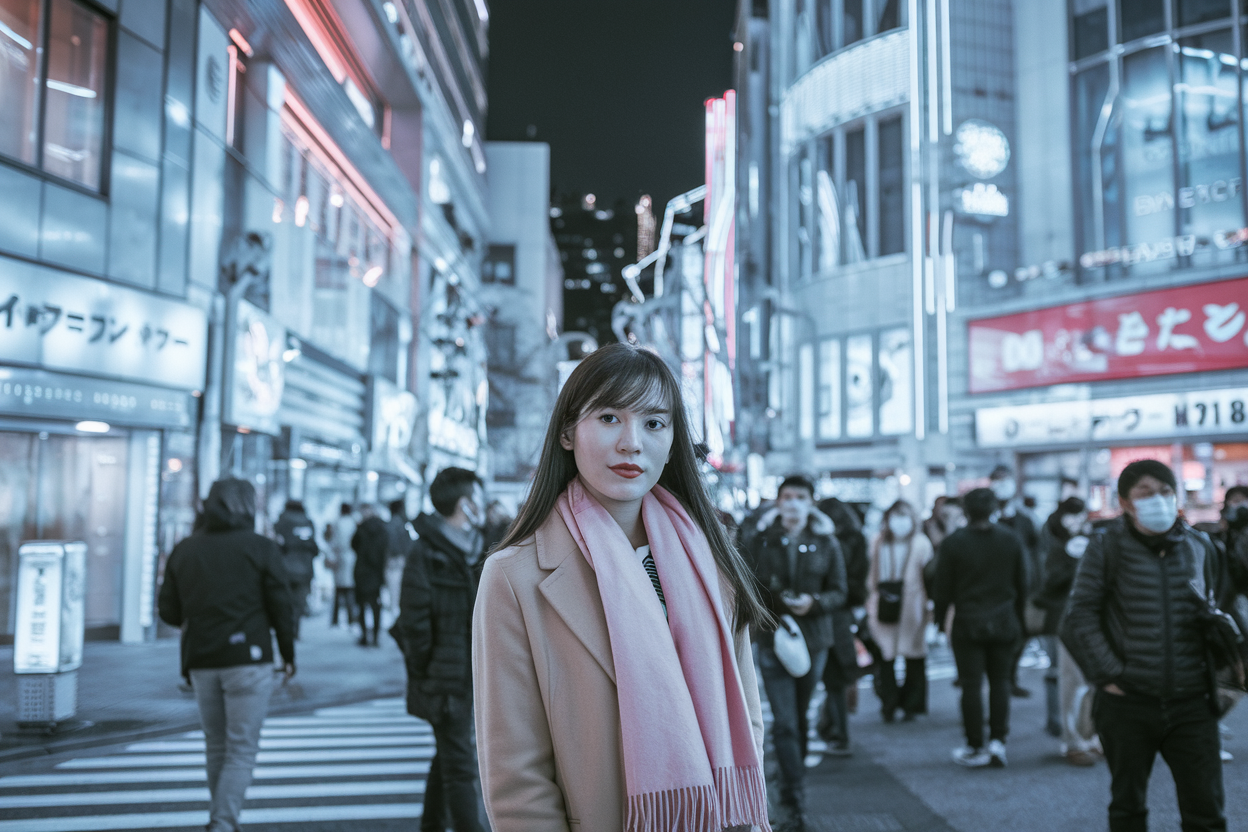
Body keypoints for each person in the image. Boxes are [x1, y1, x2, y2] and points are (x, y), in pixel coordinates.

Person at [472, 342, 772, 832]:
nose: (632, 442)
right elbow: (515, 773)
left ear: (673, 439)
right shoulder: (516, 574)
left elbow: (746, 714)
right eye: (610, 418)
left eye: (654, 422)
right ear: (568, 432)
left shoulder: (707, 556)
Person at [1061, 460, 1228, 831]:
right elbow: (1078, 616)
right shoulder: (1105, 546)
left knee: (1207, 811)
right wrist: (1109, 675)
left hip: (1192, 702)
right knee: (1128, 807)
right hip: (1127, 702)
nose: (1158, 501)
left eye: (1166, 492)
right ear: (1125, 503)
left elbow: (1218, 608)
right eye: (1146, 494)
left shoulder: (1200, 546)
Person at [157, 479, 295, 832]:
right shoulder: (261, 547)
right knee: (242, 748)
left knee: (216, 745)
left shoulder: (185, 549)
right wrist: (288, 653)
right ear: (248, 506)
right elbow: (282, 606)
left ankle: (219, 819)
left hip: (201, 659)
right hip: (249, 659)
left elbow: (169, 612)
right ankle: (222, 822)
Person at [748, 474, 846, 827]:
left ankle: (792, 777)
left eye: (800, 496)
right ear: (777, 501)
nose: (792, 502)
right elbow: (748, 584)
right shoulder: (760, 538)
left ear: (811, 502)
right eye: (786, 495)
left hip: (814, 639)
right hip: (773, 637)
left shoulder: (826, 541)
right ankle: (794, 792)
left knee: (800, 716)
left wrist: (814, 601)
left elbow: (840, 591)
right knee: (785, 721)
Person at [393, 467, 487, 832]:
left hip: (472, 674)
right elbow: (413, 622)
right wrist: (425, 670)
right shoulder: (427, 552)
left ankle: (431, 825)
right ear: (466, 503)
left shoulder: (479, 547)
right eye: (479, 496)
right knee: (461, 766)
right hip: (444, 678)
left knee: (449, 757)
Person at [934, 487, 1027, 768]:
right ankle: (998, 742)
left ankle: (974, 745)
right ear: (994, 508)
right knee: (1000, 682)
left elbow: (942, 588)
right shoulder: (1010, 540)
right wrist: (1020, 620)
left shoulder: (954, 543)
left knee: (970, 685)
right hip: (1004, 620)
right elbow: (1023, 582)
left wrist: (940, 622)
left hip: (968, 622)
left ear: (965, 510)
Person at [1034, 497, 1100, 765]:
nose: (1075, 521)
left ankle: (1093, 737)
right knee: (1070, 681)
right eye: (1070, 516)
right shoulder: (1051, 542)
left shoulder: (1093, 540)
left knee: (1095, 681)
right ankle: (1072, 741)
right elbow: (1046, 584)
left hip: (1094, 620)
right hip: (1064, 621)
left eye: (1080, 515)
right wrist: (1071, 559)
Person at [868, 500, 934, 724]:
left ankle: (912, 705)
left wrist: (931, 607)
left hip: (913, 605)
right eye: (895, 516)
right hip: (882, 603)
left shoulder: (921, 543)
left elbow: (929, 576)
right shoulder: (877, 541)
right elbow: (871, 576)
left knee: (914, 655)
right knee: (885, 655)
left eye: (904, 516)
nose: (900, 522)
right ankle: (889, 703)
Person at [816, 497, 869, 753]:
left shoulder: (824, 542)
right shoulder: (857, 539)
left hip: (824, 611)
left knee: (832, 674)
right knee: (839, 672)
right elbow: (859, 581)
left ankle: (835, 730)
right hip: (845, 611)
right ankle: (837, 729)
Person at [989, 465, 1040, 699]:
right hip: (993, 588)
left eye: (1005, 480)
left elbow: (1037, 552)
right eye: (997, 481)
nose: (1002, 485)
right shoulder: (986, 519)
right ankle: (999, 680)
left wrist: (1037, 584)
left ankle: (1010, 678)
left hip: (1022, 587)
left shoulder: (1025, 520)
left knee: (1021, 634)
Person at [274, 500, 318, 638]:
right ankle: (295, 630)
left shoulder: (281, 523)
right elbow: (314, 548)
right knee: (299, 603)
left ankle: (285, 629)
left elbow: (275, 545)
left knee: (285, 602)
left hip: (284, 568)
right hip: (305, 569)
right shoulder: (308, 523)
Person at [351, 506, 389, 647]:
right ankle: (376, 636)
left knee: (361, 605)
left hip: (361, 570)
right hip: (376, 572)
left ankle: (364, 636)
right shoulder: (383, 529)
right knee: (375, 606)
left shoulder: (361, 528)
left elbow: (353, 545)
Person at [324, 503, 356, 627]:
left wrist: (330, 556)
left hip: (340, 557)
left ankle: (335, 618)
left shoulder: (337, 523)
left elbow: (334, 542)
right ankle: (350, 617)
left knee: (339, 589)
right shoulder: (353, 522)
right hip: (351, 557)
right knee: (349, 589)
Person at [385, 497, 415, 614]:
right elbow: (402, 547)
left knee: (394, 596)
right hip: (398, 563)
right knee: (398, 596)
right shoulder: (400, 525)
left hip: (392, 564)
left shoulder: (390, 524)